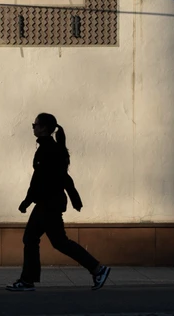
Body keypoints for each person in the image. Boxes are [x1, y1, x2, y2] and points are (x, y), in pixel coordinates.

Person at [7, 113, 110, 292]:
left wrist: (27, 201)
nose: (33, 128)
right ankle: (96, 268)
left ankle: (28, 280)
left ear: (44, 128)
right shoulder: (51, 148)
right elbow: (61, 177)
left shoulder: (48, 150)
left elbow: (40, 180)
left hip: (48, 203)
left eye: (35, 125)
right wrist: (74, 198)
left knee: (41, 240)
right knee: (50, 241)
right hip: (49, 202)